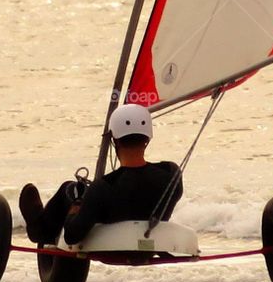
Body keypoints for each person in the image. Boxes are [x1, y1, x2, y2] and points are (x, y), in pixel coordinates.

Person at [18, 103, 182, 247]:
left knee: (69, 189)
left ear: (115, 140)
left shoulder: (103, 187)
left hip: (114, 246)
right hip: (151, 243)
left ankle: (38, 230)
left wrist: (77, 204)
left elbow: (72, 236)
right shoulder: (172, 174)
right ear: (147, 139)